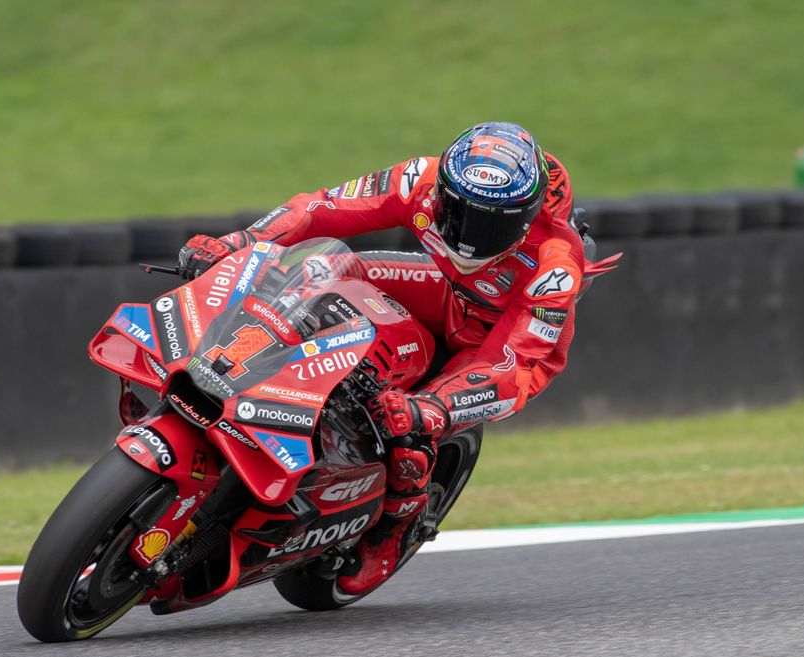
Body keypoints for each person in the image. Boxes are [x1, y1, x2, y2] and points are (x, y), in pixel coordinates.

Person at [178, 122, 619, 595]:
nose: (471, 234)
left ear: (526, 216)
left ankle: (393, 532)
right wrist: (238, 244)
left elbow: (513, 363)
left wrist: (437, 406)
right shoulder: (418, 180)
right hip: (447, 293)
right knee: (323, 269)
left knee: (413, 426)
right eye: (461, 212)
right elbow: (320, 209)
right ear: (444, 192)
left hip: (500, 345)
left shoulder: (555, 263)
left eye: (494, 221)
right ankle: (240, 362)